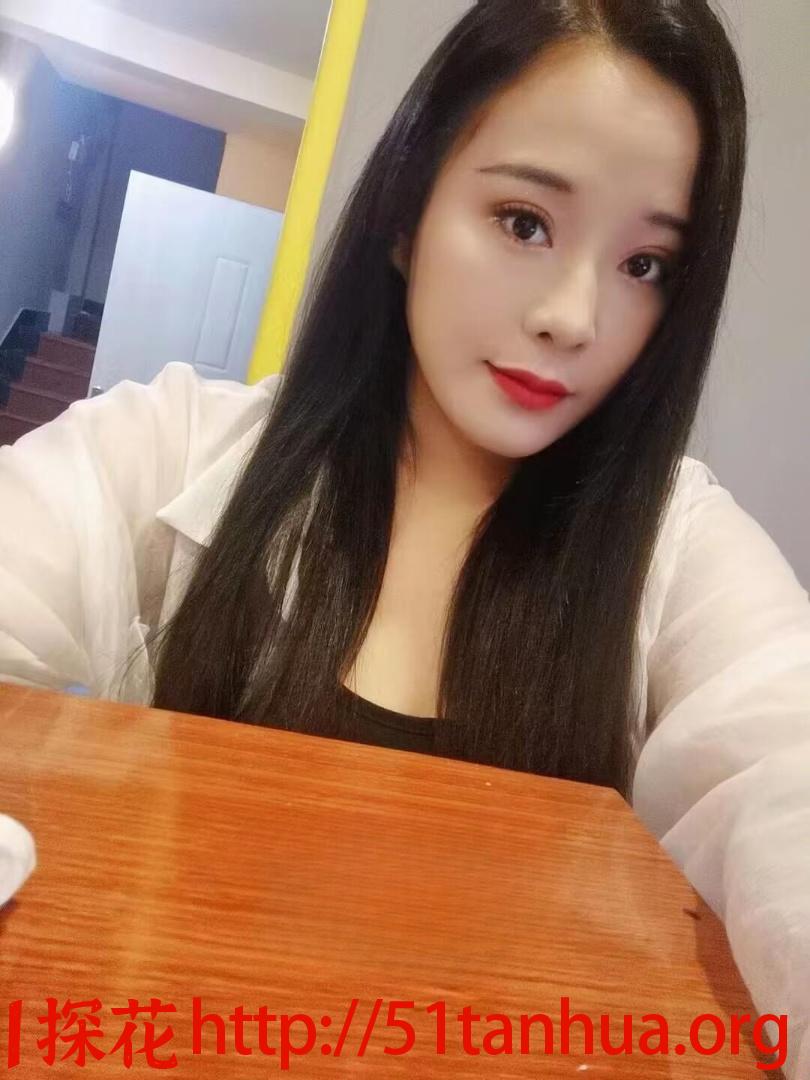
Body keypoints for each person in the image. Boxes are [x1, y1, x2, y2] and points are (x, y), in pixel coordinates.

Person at [0, 0, 807, 1072]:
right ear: (403, 211)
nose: (575, 317)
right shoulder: (172, 444)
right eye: (525, 221)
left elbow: (786, 770)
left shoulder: (678, 548)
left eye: (646, 265)